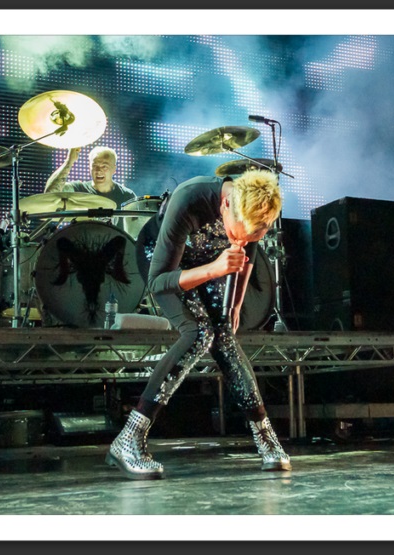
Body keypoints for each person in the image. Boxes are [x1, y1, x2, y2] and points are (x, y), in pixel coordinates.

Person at [106, 169, 291, 480]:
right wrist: (215, 269)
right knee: (199, 333)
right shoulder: (190, 201)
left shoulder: (251, 212)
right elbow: (158, 281)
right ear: (226, 205)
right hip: (163, 262)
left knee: (224, 338)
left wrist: (234, 304)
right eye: (236, 233)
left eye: (252, 236)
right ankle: (128, 439)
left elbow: (247, 255)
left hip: (207, 260)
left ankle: (266, 438)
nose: (240, 241)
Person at [44, 145, 136, 206]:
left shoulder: (127, 196)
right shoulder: (78, 189)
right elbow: (49, 194)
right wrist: (69, 161)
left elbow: (137, 225)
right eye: (95, 166)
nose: (98, 171)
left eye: (104, 166)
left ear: (114, 169)